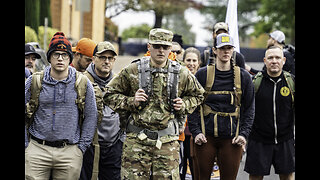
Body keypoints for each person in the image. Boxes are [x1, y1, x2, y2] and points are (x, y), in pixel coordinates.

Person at [103, 28, 204, 179]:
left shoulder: (181, 73)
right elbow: (108, 94)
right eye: (157, 46)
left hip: (167, 143)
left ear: (171, 48)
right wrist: (132, 101)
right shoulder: (133, 69)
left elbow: (199, 94)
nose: (161, 51)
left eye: (165, 47)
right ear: (149, 47)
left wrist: (184, 105)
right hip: (136, 141)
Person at [25, 32, 98, 180]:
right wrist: (26, 145)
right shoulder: (34, 81)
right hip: (37, 150)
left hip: (69, 151)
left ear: (70, 57)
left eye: (64, 55)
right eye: (56, 54)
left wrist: (80, 148)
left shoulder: (82, 83)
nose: (60, 58)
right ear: (49, 57)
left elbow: (91, 116)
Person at [188, 33, 255, 180]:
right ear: (214, 50)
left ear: (233, 50)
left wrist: (244, 134)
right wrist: (196, 131)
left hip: (232, 139)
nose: (226, 51)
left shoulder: (243, 77)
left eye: (229, 48)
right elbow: (193, 105)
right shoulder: (202, 74)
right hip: (206, 138)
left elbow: (249, 109)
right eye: (222, 48)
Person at [244, 46, 295, 180]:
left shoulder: (291, 82)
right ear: (265, 61)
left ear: (283, 60)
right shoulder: (254, 82)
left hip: (285, 139)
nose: (274, 61)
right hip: (258, 140)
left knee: (287, 176)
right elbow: (246, 111)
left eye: (277, 58)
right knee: (255, 176)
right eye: (270, 58)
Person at [80, 41, 125, 180]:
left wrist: (122, 140)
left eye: (110, 58)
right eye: (102, 57)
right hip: (89, 146)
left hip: (114, 145)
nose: (106, 61)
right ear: (93, 59)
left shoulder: (120, 82)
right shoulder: (82, 81)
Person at [180, 47, 201, 180]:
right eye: (188, 60)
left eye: (194, 60)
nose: (191, 63)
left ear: (199, 62)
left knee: (197, 170)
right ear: (183, 61)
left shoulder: (203, 79)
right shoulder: (177, 79)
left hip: (197, 133)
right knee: (180, 171)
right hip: (180, 133)